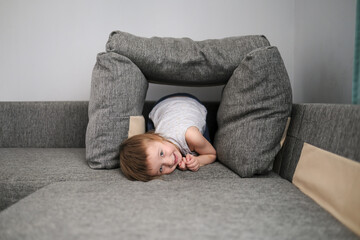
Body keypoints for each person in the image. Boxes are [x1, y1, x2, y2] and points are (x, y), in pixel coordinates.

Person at [119, 93, 217, 181]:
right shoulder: (157, 144)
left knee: (202, 143)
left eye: (161, 154)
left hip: (183, 101)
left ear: (155, 137)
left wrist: (198, 161)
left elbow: (212, 154)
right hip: (163, 110)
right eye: (161, 169)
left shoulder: (192, 136)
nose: (169, 162)